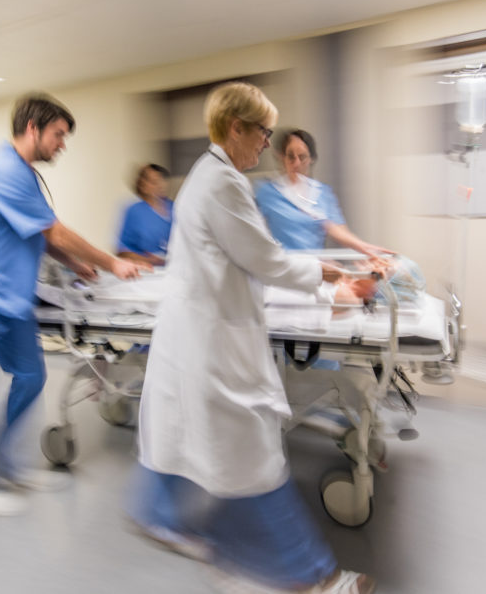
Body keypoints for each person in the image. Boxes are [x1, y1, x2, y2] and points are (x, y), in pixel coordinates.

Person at [132, 82, 375, 593]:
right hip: (212, 345)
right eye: (264, 132)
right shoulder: (222, 182)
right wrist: (329, 277)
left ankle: (175, 525)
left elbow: (251, 260)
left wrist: (324, 278)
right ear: (236, 128)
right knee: (252, 462)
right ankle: (312, 578)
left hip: (202, 334)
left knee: (192, 448)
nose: (268, 143)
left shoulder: (209, 176)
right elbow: (264, 258)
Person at [0, 93, 148, 515]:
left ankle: (3, 463)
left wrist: (75, 263)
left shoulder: (26, 175)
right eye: (58, 135)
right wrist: (110, 263)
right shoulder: (4, 169)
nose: (62, 144)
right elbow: (52, 230)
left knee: (31, 377)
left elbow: (36, 232)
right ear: (32, 129)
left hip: (10, 299)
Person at [255, 129, 390, 257]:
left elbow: (337, 230)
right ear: (282, 157)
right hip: (284, 270)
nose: (296, 163)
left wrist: (365, 248)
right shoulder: (268, 192)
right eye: (291, 156)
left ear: (311, 159)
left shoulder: (322, 193)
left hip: (316, 269)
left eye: (302, 157)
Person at [116, 163, 173, 266]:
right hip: (148, 270)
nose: (159, 185)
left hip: (175, 269)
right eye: (154, 182)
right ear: (142, 185)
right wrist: (150, 260)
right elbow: (122, 251)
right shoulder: (134, 211)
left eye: (161, 180)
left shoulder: (175, 208)